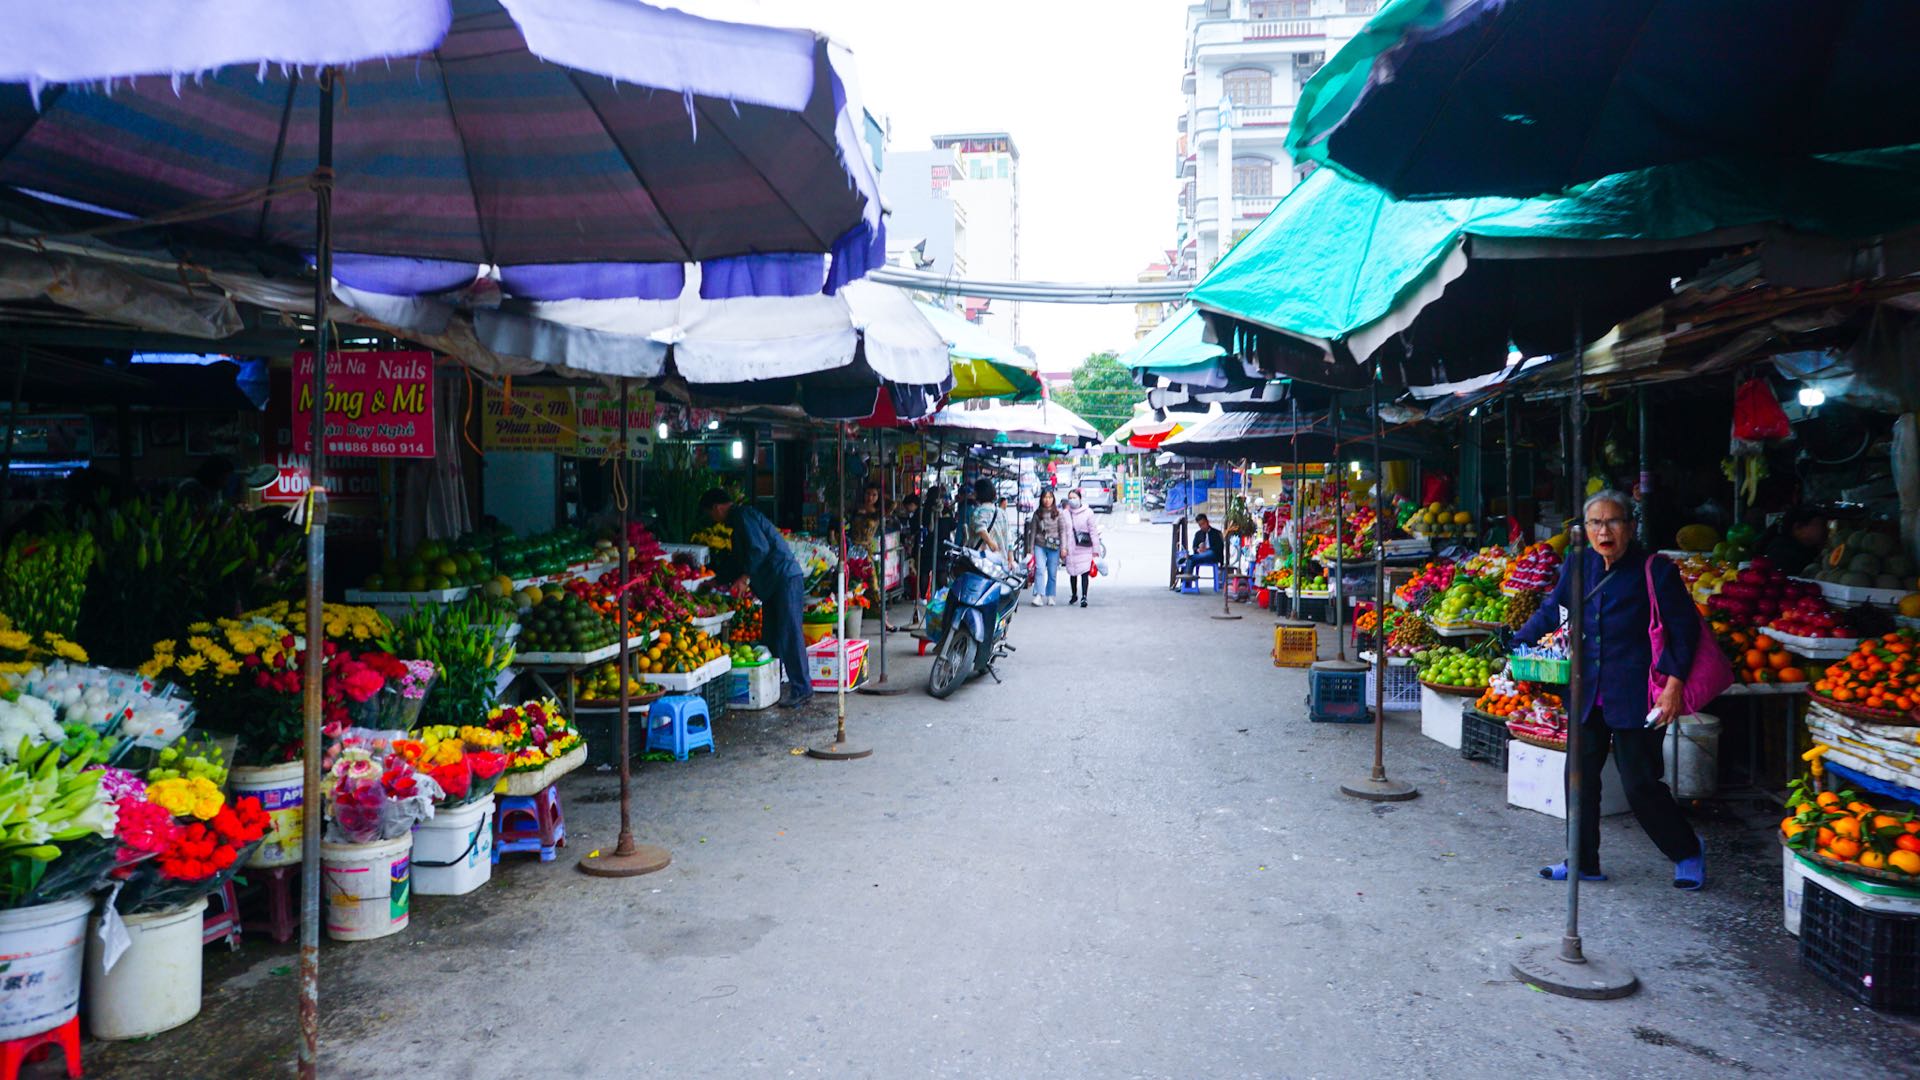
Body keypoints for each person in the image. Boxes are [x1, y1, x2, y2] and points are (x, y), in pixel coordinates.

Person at [1513, 490, 1706, 890]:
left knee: (1640, 783)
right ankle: (1583, 861)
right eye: (1595, 523)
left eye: (1613, 521)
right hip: (1586, 692)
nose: (1604, 530)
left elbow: (1684, 632)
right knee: (1579, 777)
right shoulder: (1577, 564)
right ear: (1585, 530)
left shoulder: (1656, 571)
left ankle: (1686, 851)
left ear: (1630, 527)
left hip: (1637, 693)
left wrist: (1673, 684)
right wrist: (1516, 642)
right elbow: (1553, 610)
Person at [700, 488, 811, 708]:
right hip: (773, 584)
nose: (713, 520)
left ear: (717, 508)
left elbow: (758, 549)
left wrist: (744, 578)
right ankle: (773, 685)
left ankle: (802, 688)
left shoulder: (743, 516)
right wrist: (718, 580)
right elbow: (738, 560)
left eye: (710, 514)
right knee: (770, 637)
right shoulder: (739, 523)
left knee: (789, 633)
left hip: (784, 579)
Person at [1059, 487, 1102, 608]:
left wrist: (1096, 549)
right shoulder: (1065, 514)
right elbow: (1062, 532)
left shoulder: (1088, 513)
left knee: (1084, 572)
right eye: (1070, 498)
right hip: (1071, 548)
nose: (1072, 500)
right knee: (1073, 573)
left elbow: (1093, 531)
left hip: (1085, 548)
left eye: (1074, 498)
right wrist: (1063, 548)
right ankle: (1074, 595)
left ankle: (1084, 596)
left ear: (1080, 498)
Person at [1759, 507, 1828, 574]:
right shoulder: (1784, 555)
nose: (1826, 529)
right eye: (1822, 525)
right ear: (1798, 527)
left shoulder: (1805, 549)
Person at [1026, 489, 1064, 606]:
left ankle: (1051, 595)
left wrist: (1064, 547)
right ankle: (1039, 595)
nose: (1047, 500)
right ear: (1041, 499)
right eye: (1045, 497)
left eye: (1049, 497)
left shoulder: (1058, 513)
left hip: (1054, 546)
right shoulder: (1037, 514)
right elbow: (1032, 532)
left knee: (1052, 572)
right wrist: (1030, 549)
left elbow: (1062, 531)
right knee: (1040, 569)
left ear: (1053, 499)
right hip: (1040, 544)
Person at [967, 478, 1006, 554]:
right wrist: (1010, 559)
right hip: (1000, 560)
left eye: (975, 491)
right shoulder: (1002, 513)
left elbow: (980, 529)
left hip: (981, 561)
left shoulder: (977, 512)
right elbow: (1008, 538)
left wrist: (990, 543)